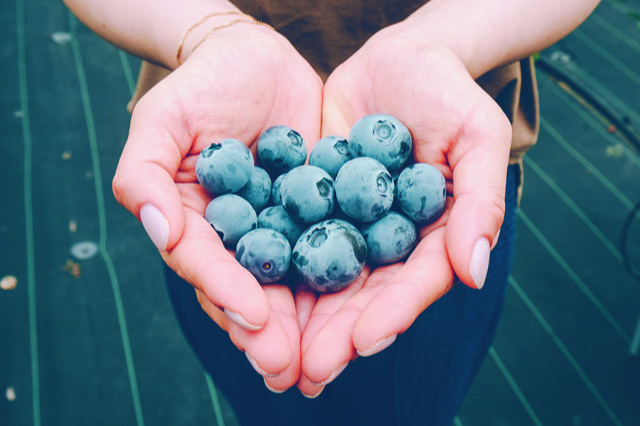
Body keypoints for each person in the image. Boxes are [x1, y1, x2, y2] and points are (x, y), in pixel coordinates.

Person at [63, 0, 601, 424]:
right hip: (211, 140)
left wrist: (439, 41)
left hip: (446, 159)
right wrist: (207, 31)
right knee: (268, 407)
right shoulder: (232, 198)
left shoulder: (408, 191)